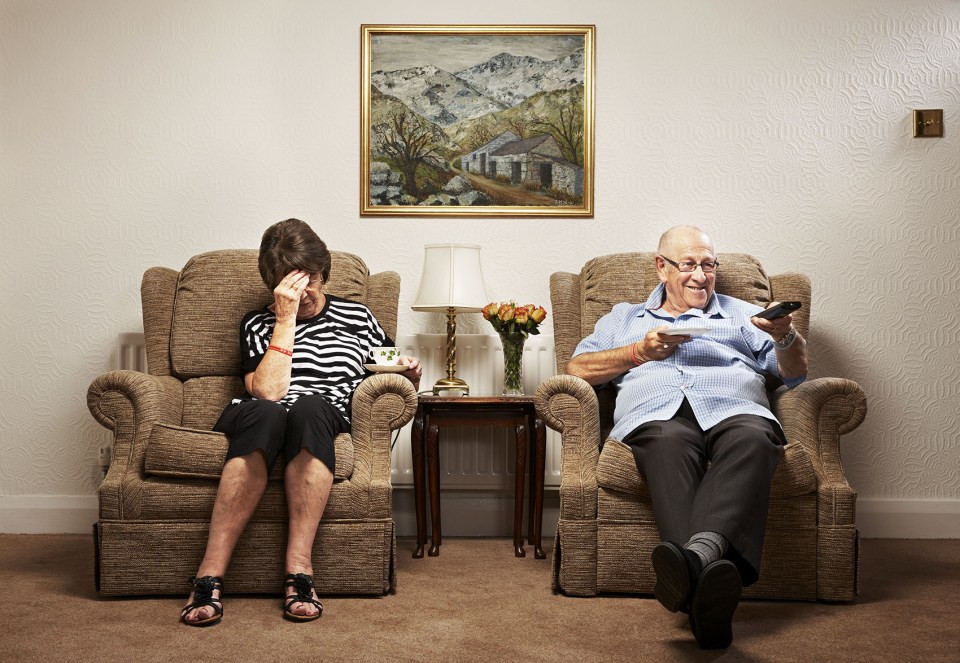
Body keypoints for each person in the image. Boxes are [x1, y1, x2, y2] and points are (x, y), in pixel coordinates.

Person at [566, 225, 807, 649]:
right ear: (662, 267)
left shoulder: (744, 315)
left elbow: (795, 373)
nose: (701, 275)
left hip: (735, 409)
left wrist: (784, 336)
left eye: (709, 265)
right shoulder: (624, 318)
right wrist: (638, 352)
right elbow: (577, 369)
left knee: (755, 437)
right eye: (689, 264)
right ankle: (707, 598)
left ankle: (692, 561)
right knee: (666, 442)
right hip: (656, 416)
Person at [180, 218, 422, 626]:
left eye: (310, 277)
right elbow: (268, 390)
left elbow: (386, 366)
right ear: (273, 285)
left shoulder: (358, 317)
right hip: (261, 412)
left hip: (320, 415)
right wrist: (286, 318)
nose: (305, 291)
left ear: (323, 272)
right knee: (268, 411)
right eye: (290, 283)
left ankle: (300, 573)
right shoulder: (258, 323)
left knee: (310, 406)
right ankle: (208, 576)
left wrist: (408, 373)